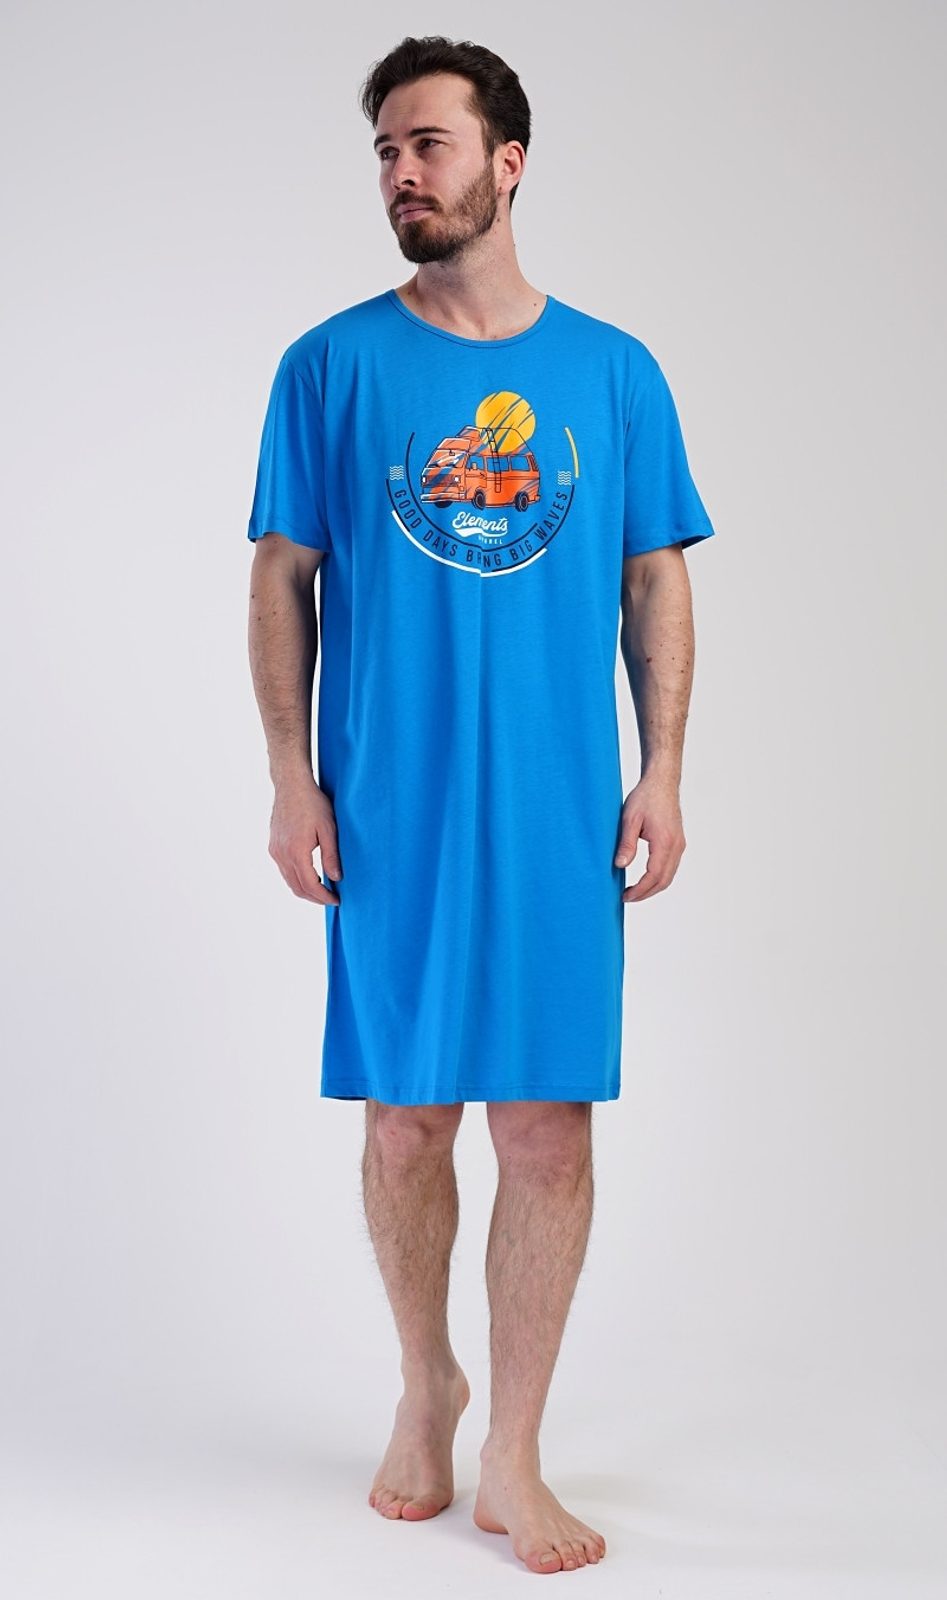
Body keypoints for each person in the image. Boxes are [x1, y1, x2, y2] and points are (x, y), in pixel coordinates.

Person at [246, 34, 716, 1577]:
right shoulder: (329, 367)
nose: (402, 172)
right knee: (404, 1123)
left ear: (508, 164)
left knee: (547, 1133)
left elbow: (656, 580)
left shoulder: (613, 372)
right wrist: (291, 776)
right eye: (386, 150)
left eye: (429, 144)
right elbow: (282, 579)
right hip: (389, 811)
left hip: (557, 813)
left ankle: (513, 1446)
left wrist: (662, 768)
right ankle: (424, 1383)